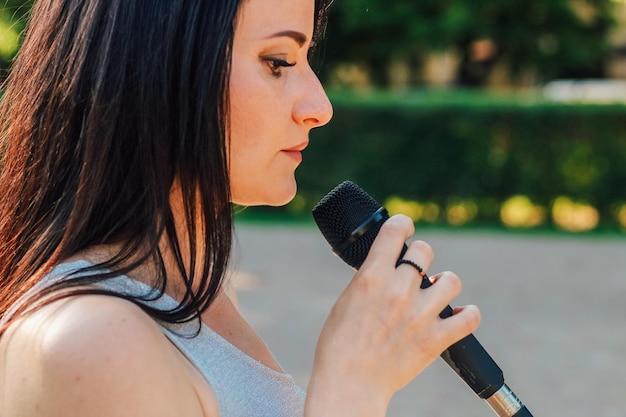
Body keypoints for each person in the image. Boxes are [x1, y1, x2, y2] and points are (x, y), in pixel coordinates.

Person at [0, 0, 481, 416]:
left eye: (304, 58)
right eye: (278, 61)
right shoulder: (93, 341)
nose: (319, 104)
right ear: (157, 65)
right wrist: (351, 389)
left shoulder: (181, 292)